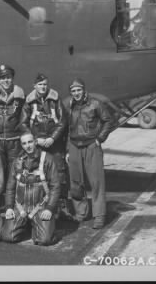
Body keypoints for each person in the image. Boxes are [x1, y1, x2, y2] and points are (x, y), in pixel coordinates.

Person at [66, 78, 114, 229]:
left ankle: (99, 215)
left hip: (91, 145)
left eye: (78, 90)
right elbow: (67, 128)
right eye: (73, 91)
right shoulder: (69, 105)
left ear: (84, 90)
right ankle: (81, 213)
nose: (76, 93)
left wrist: (100, 138)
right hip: (74, 145)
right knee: (75, 183)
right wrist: (67, 149)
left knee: (97, 182)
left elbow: (108, 120)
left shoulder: (95, 104)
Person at [23, 73, 72, 219]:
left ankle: (62, 206)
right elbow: (23, 123)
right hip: (37, 144)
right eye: (40, 85)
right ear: (34, 86)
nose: (43, 87)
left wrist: (52, 138)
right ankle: (41, 204)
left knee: (59, 172)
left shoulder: (55, 100)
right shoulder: (29, 102)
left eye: (44, 84)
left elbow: (63, 121)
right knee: (39, 173)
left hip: (54, 144)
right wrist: (35, 140)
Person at [1, 131, 60, 245]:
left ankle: (39, 226)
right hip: (21, 206)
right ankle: (26, 224)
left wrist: (49, 208)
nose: (28, 146)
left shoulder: (48, 159)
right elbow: (10, 187)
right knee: (8, 237)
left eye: (30, 142)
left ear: (35, 142)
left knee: (45, 240)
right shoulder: (17, 161)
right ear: (21, 145)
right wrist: (8, 207)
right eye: (24, 143)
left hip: (41, 206)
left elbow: (55, 187)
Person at [0, 64, 27, 201]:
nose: (6, 81)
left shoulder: (20, 97)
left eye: (8, 77)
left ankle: (14, 202)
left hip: (14, 140)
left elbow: (24, 118)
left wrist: (22, 136)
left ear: (12, 78)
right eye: (2, 78)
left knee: (14, 172)